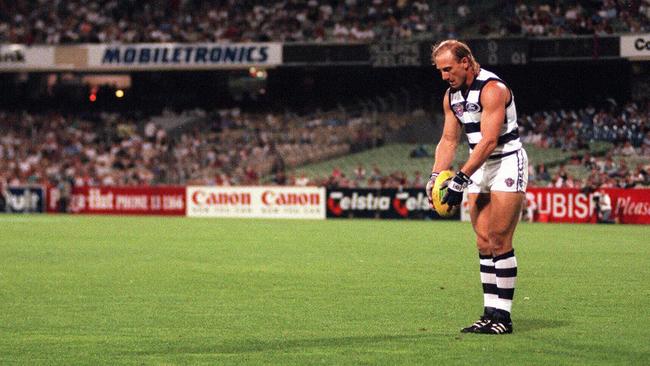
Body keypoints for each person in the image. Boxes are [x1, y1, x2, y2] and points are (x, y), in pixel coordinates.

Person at [425, 40, 527, 335]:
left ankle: (503, 318)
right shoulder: (451, 97)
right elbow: (448, 140)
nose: (444, 76)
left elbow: (489, 141)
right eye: (440, 70)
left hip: (505, 161)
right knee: (483, 241)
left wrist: (460, 178)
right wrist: (436, 176)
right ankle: (489, 312)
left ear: (466, 62)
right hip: (478, 165)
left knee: (499, 237)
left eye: (448, 69)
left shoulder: (492, 88)